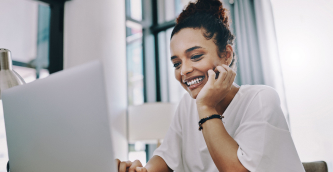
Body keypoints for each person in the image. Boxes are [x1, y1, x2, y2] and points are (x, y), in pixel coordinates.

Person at [116, 0, 304, 171]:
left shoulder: (261, 99)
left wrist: (206, 107)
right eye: (176, 63)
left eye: (196, 56)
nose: (184, 71)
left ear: (227, 55)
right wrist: (142, 171)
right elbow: (165, 157)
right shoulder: (187, 106)